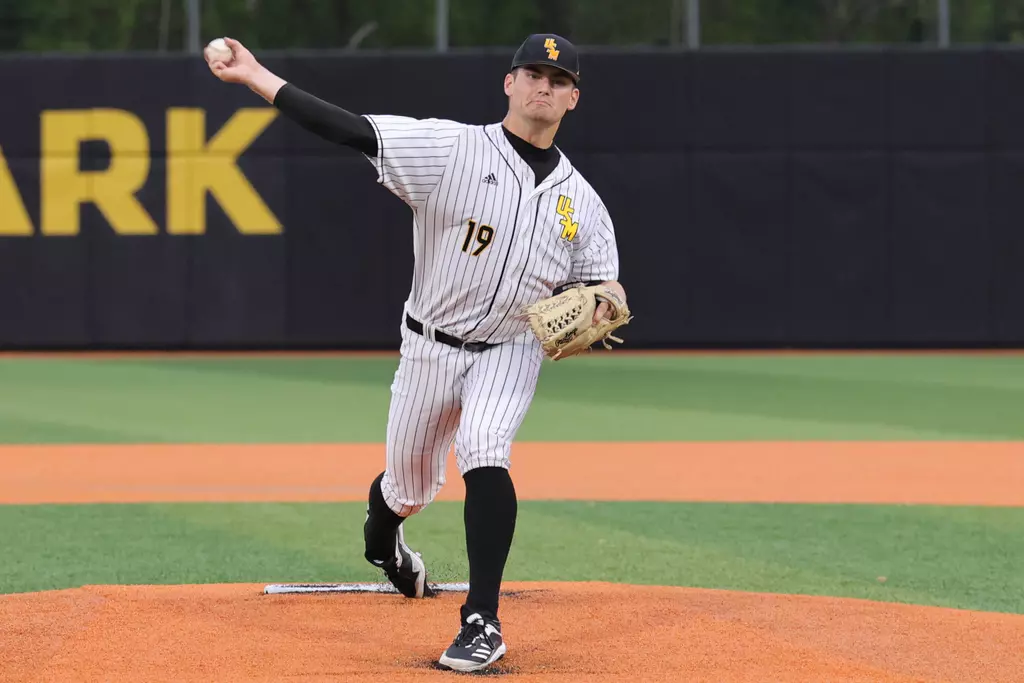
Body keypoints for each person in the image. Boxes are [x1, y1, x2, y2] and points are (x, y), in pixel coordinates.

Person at [204, 32, 627, 673]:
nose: (545, 85)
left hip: (511, 348)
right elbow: (353, 132)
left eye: (559, 79)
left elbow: (606, 282)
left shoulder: (582, 202)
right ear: (509, 83)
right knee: (406, 487)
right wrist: (258, 77)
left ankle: (481, 620)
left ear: (573, 99)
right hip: (429, 345)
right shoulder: (452, 149)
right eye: (533, 73)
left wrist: (604, 301)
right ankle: (384, 539)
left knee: (486, 450)